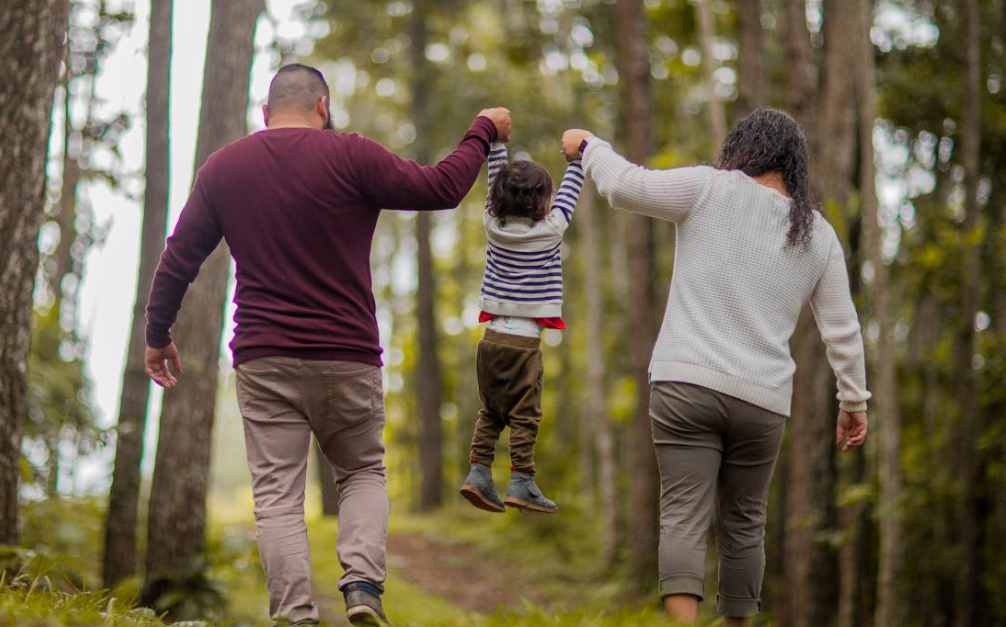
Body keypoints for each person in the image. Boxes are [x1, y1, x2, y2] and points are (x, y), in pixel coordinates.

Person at [143, 63, 511, 627]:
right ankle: (362, 587)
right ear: (323, 107)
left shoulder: (225, 167)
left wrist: (157, 334)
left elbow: (179, 258)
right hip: (347, 354)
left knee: (277, 497)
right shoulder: (352, 154)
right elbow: (441, 188)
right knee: (362, 471)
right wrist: (482, 129)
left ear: (266, 114)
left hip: (264, 358)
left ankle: (295, 617)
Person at [561, 108, 870, 626]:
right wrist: (854, 402)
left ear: (742, 149)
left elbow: (625, 187)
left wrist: (590, 145)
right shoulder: (818, 235)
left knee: (683, 515)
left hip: (686, 384)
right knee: (745, 526)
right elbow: (843, 329)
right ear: (794, 164)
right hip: (763, 402)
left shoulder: (708, 188)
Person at [458, 140, 584, 514]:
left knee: (491, 412)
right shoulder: (551, 229)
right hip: (524, 345)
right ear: (543, 201)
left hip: (491, 340)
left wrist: (497, 143)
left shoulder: (491, 226)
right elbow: (571, 190)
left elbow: (493, 179)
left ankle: (478, 472)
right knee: (525, 416)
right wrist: (577, 159)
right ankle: (521, 480)